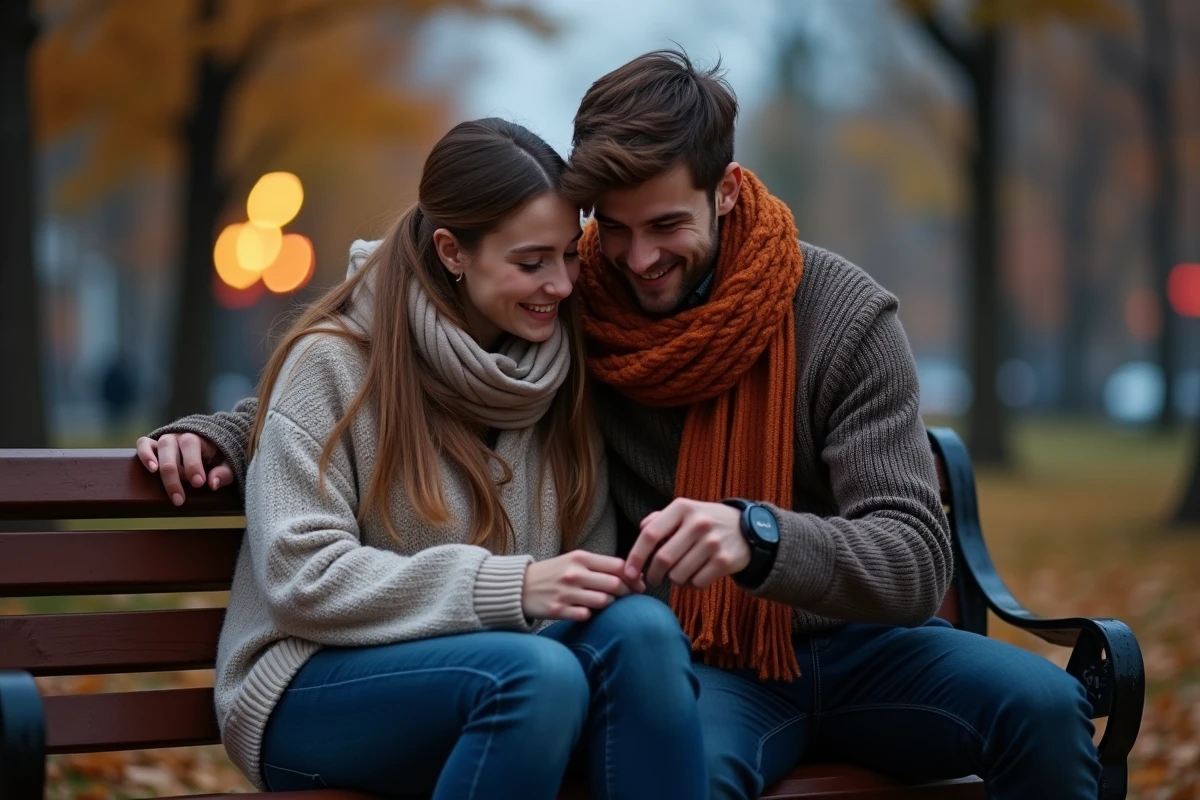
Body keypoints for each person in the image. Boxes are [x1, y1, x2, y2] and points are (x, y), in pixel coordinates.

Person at [144, 53, 1101, 799]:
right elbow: (386, 358)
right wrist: (228, 438)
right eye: (615, 227)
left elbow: (911, 561)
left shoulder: (843, 319)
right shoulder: (576, 305)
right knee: (671, 752)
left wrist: (758, 534)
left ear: (724, 190)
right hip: (704, 664)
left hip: (856, 647)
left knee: (1048, 708)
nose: (635, 260)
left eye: (666, 226)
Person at [140, 117, 705, 800]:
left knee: (640, 631)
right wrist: (509, 586)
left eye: (570, 256)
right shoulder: (334, 363)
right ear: (452, 251)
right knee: (534, 680)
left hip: (514, 673)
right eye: (531, 263)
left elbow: (585, 572)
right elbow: (301, 578)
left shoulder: (563, 369)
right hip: (315, 683)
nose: (560, 285)